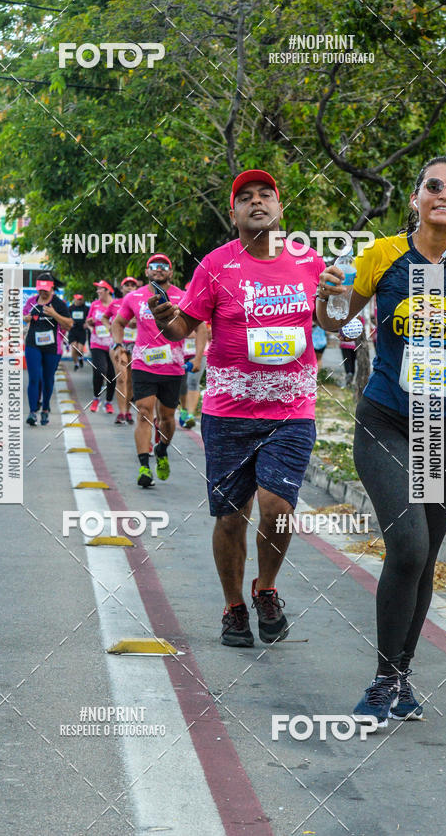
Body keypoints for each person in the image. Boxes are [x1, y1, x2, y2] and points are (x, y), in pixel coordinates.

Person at [316, 155, 446, 727]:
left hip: (445, 428)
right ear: (415, 196)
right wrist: (330, 295)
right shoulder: (384, 254)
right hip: (386, 421)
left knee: (423, 557)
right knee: (406, 545)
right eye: (435, 185)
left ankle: (399, 676)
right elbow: (335, 321)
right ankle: (384, 679)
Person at [150, 170, 325, 647]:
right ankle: (233, 607)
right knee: (231, 515)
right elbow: (181, 329)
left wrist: (337, 305)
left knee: (278, 506)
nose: (256, 202)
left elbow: (332, 319)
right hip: (228, 411)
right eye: (244, 198)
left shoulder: (309, 261)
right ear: (234, 213)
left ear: (280, 207)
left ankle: (266, 588)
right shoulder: (215, 265)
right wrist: (167, 323)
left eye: (265, 195)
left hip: (292, 409)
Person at [111, 254, 206, 488]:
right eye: (154, 266)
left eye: (164, 266)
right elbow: (118, 323)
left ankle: (162, 449)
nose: (159, 270)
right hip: (143, 364)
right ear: (147, 271)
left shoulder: (183, 297)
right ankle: (144, 466)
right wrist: (118, 345)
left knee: (167, 418)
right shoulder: (134, 297)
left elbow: (202, 326)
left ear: (170, 273)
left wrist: (197, 356)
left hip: (172, 368)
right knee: (143, 411)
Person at [23, 272, 72, 426]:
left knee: (47, 379)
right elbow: (25, 316)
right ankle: (32, 412)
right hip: (33, 344)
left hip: (52, 347)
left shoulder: (58, 303)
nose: (42, 292)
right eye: (40, 289)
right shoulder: (31, 301)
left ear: (52, 288)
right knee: (34, 377)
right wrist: (26, 319)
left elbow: (69, 324)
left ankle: (45, 408)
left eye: (46, 289)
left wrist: (54, 314)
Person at [105, 276, 138, 425]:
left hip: (137, 344)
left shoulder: (141, 303)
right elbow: (105, 318)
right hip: (119, 344)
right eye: (127, 285)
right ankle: (121, 412)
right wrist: (111, 328)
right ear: (121, 288)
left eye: (133, 285)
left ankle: (129, 411)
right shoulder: (115, 304)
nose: (130, 287)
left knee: (131, 380)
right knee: (121, 378)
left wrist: (135, 323)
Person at [85, 280, 118, 413]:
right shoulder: (95, 304)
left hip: (113, 344)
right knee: (99, 370)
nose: (98, 291)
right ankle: (96, 398)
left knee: (112, 375)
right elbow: (88, 322)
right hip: (97, 342)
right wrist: (90, 323)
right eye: (97, 289)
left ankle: (108, 402)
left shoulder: (117, 305)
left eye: (100, 289)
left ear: (108, 290)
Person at [68, 293, 89, 369]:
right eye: (78, 299)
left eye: (81, 299)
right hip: (73, 331)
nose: (80, 301)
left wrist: (87, 323)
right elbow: (67, 318)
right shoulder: (70, 308)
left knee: (80, 349)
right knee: (74, 348)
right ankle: (76, 364)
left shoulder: (86, 308)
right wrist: (69, 323)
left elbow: (89, 317)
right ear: (75, 299)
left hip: (81, 331)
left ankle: (80, 358)